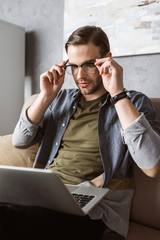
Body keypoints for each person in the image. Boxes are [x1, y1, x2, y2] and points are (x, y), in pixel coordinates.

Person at [8, 25, 160, 239]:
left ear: (106, 59)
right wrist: (45, 97)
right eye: (74, 66)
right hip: (46, 194)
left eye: (89, 65)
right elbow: (20, 141)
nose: (80, 75)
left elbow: (152, 167)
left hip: (94, 208)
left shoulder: (133, 102)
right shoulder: (59, 99)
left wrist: (117, 93)